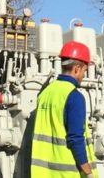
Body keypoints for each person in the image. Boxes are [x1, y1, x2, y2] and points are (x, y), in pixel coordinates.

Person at [31, 41, 97, 177]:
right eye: (85, 70)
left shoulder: (46, 92)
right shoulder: (74, 96)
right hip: (66, 173)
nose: (84, 75)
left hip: (43, 173)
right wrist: (88, 172)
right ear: (77, 68)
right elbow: (75, 138)